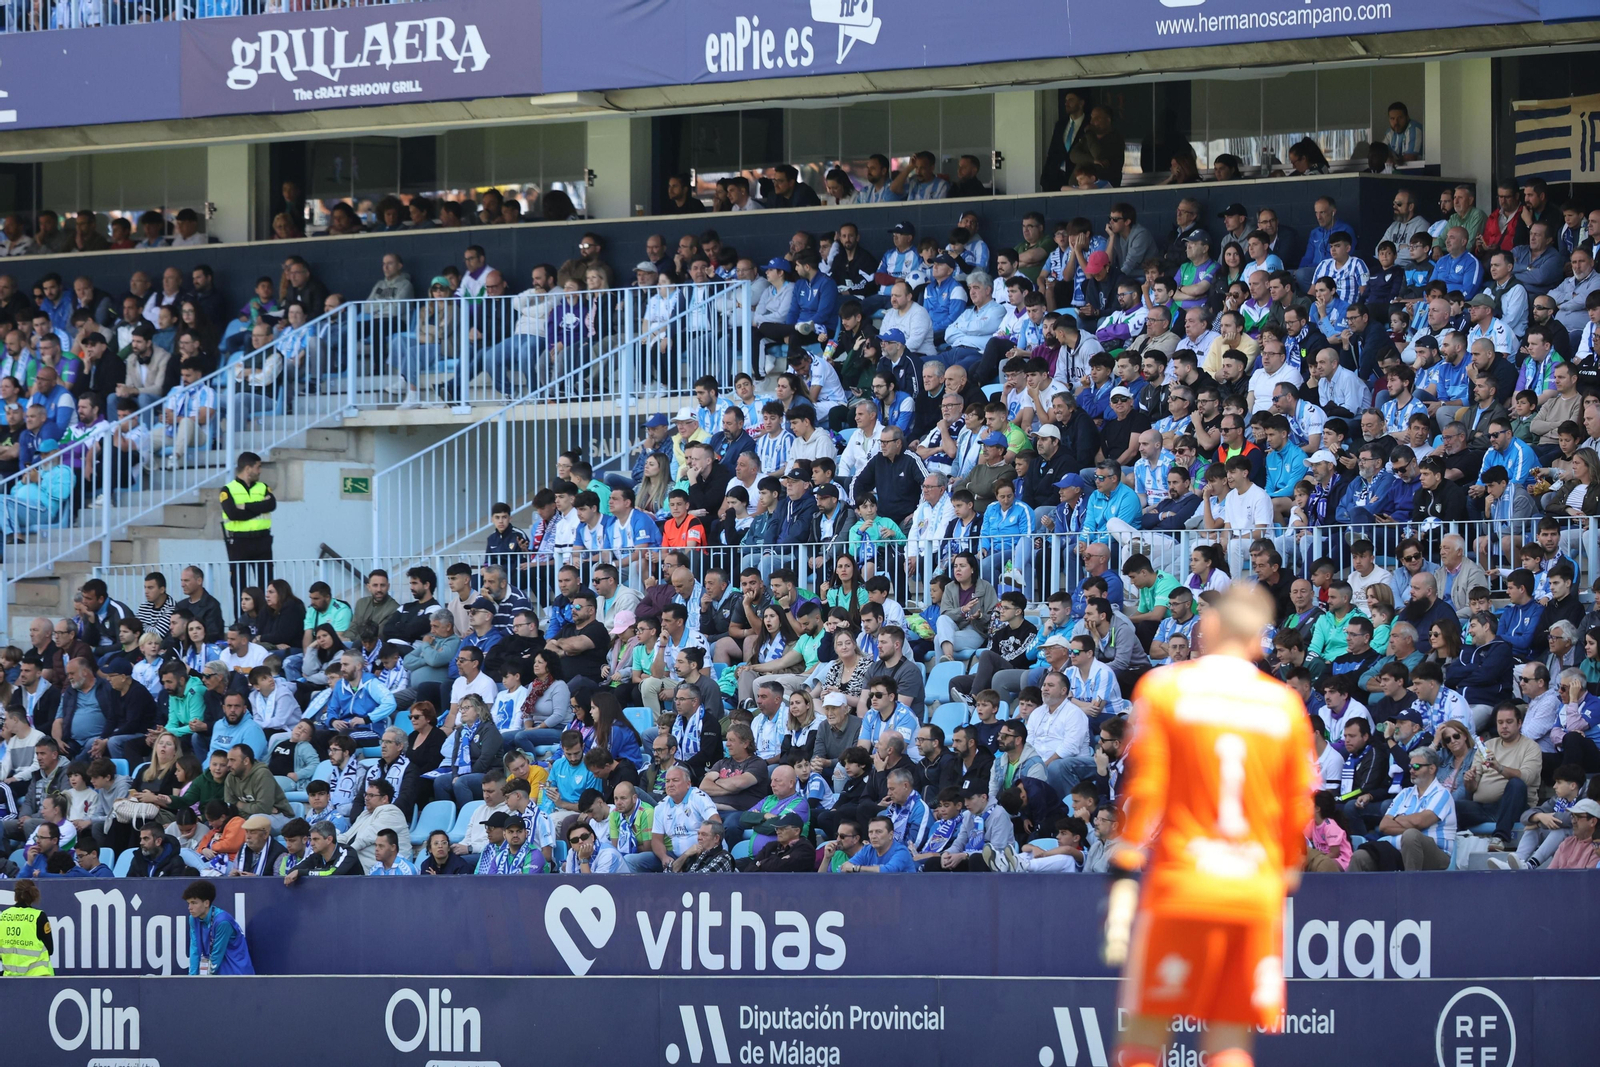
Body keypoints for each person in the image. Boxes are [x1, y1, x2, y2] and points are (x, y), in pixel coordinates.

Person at [1103, 586, 1311, 1067]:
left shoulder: (1167, 689)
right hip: (1252, 890)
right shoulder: (1283, 707)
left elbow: (1147, 787)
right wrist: (1281, 877)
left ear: (1209, 628)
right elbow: (1295, 811)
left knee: (1146, 1031)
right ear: (1260, 641)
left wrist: (1127, 856)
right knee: (1230, 1040)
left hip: (1185, 883)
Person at [219, 451, 275, 614]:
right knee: (239, 587)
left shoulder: (263, 487)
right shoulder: (228, 489)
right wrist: (258, 506)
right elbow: (233, 514)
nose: (260, 471)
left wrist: (245, 506)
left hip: (262, 542)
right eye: (258, 467)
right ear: (248, 468)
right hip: (239, 543)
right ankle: (241, 623)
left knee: (267, 586)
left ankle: (267, 619)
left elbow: (271, 505)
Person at [182, 879, 254, 975]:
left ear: (206, 903)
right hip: (218, 976)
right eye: (189, 903)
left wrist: (204, 982)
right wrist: (192, 978)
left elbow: (216, 956)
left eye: (194, 903)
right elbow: (194, 949)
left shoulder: (222, 921)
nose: (190, 907)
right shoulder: (193, 918)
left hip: (237, 974)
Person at [0, 879, 54, 977]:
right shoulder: (39, 916)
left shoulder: (3, 916)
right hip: (38, 977)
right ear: (33, 895)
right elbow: (50, 949)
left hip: (11, 977)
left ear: (15, 896)